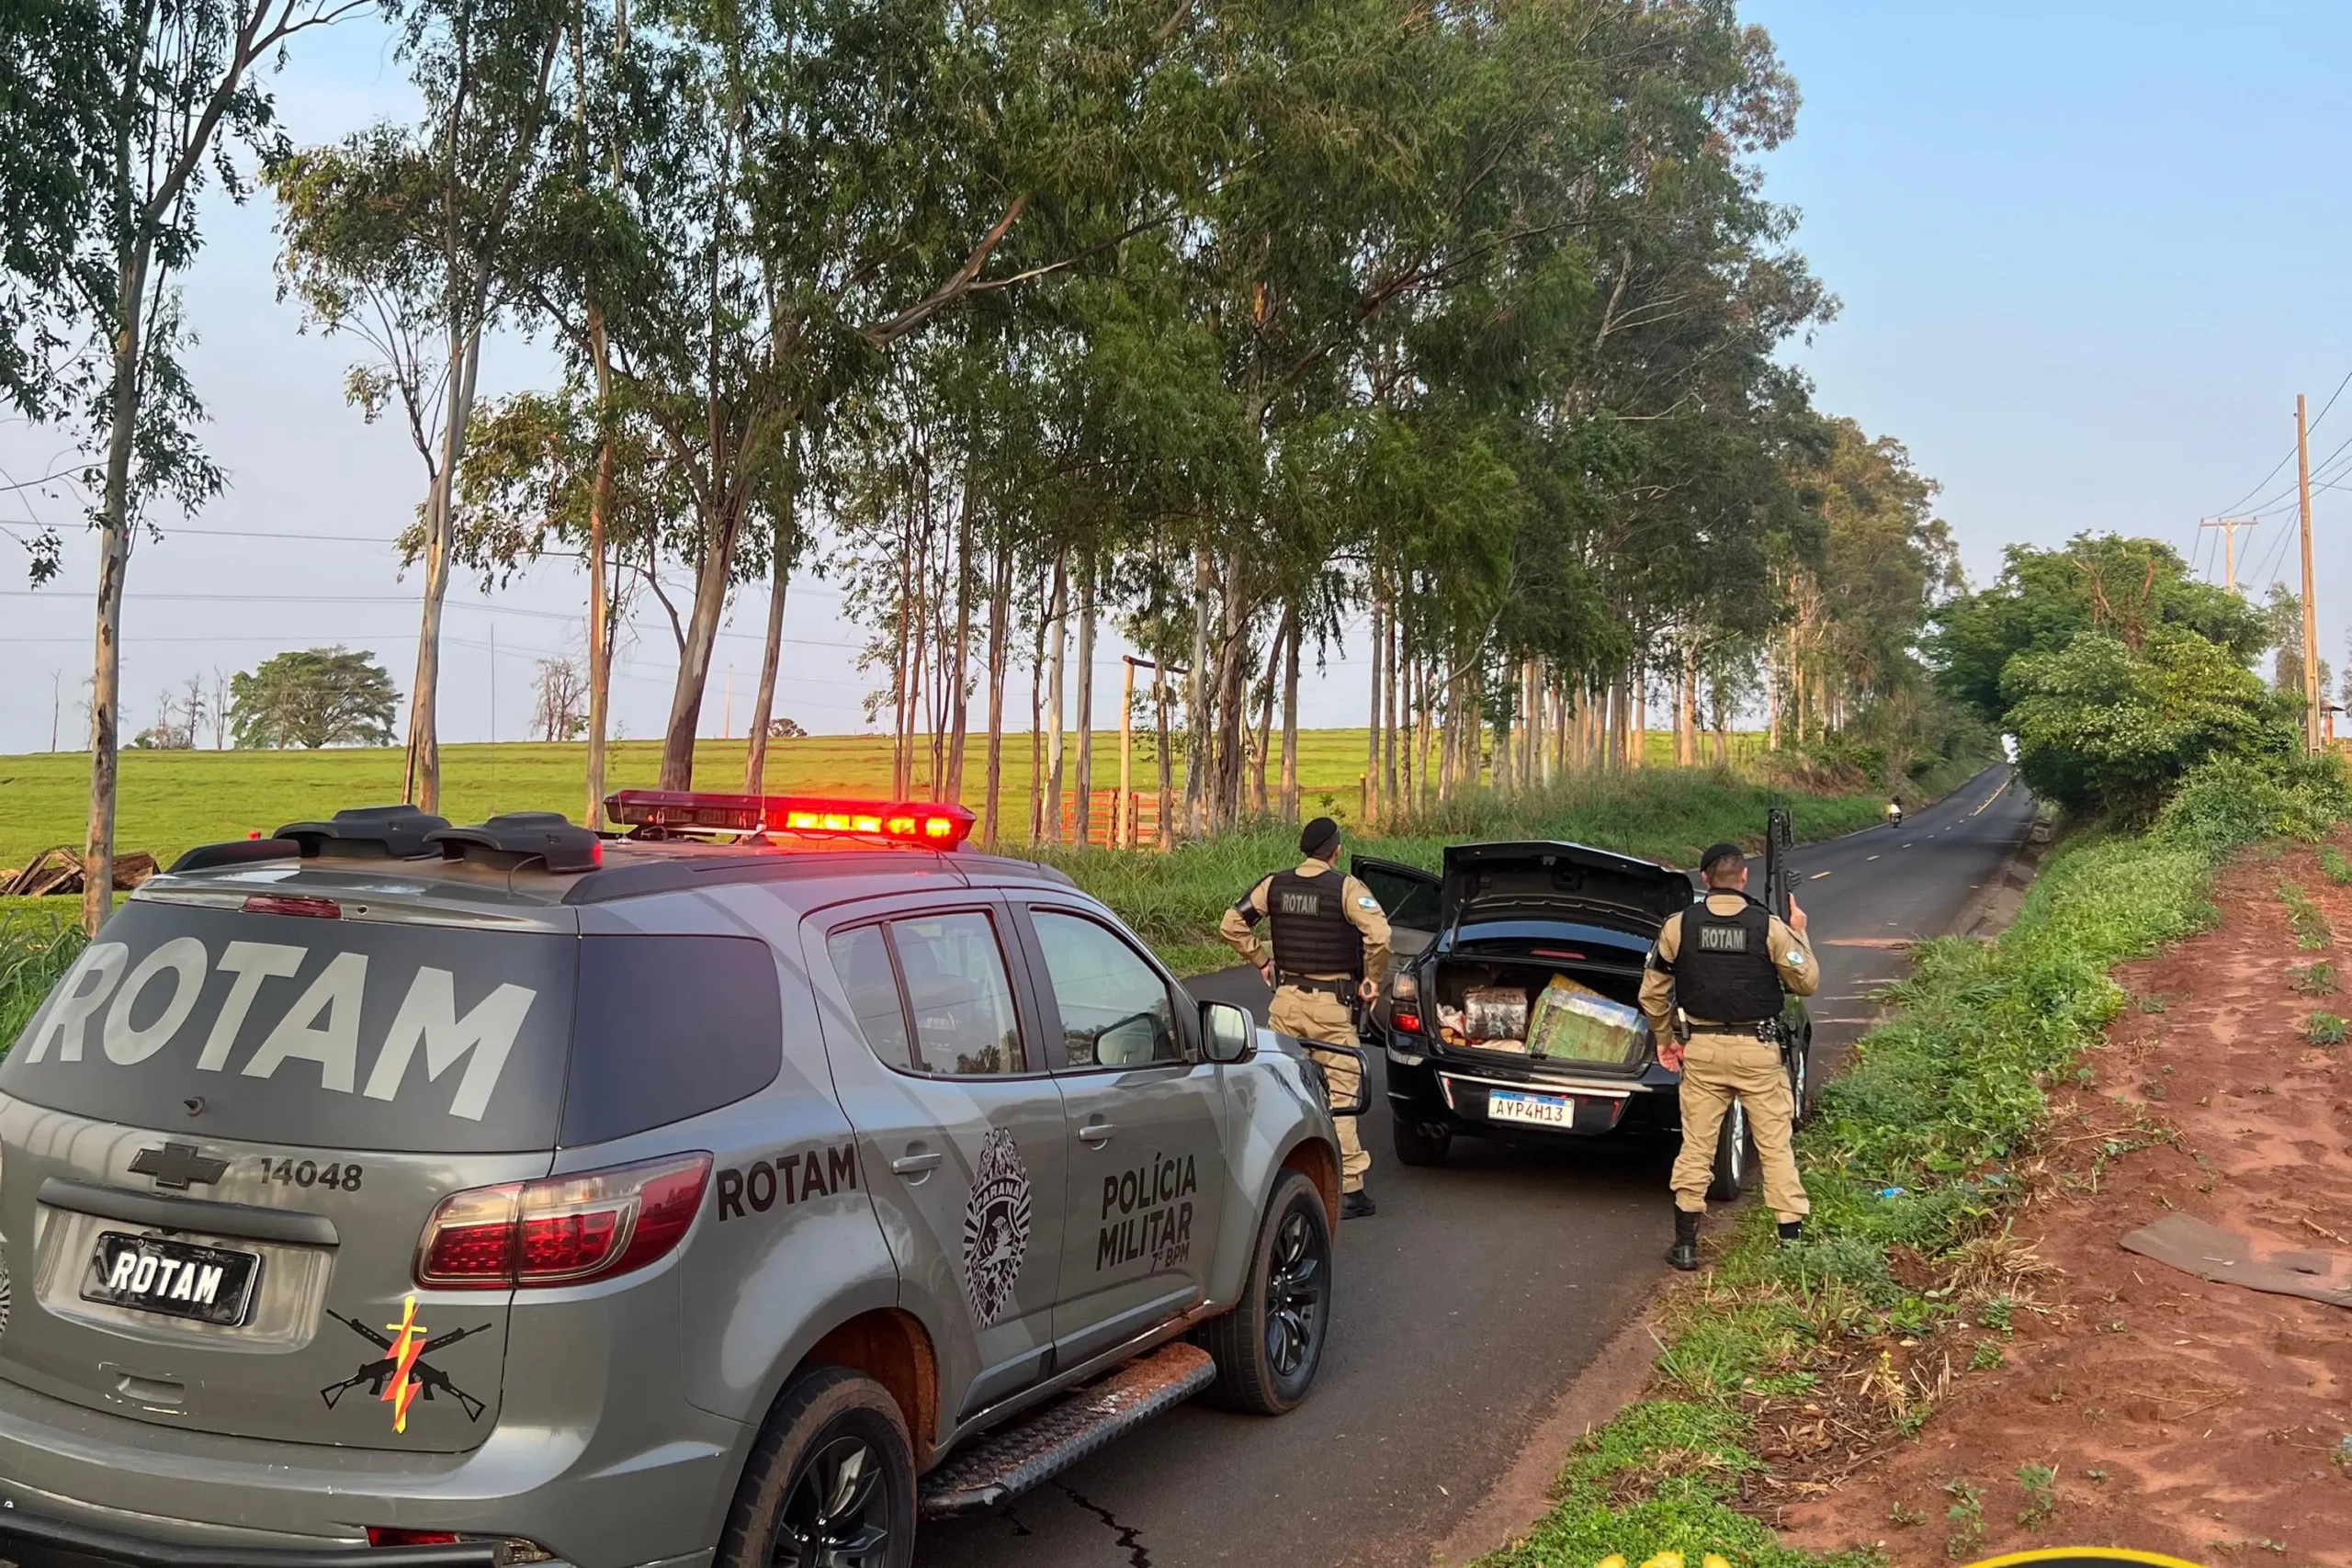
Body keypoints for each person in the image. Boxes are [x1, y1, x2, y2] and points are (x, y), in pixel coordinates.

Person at [1638, 841, 1819, 1269]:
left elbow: (1652, 993)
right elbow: (1806, 982)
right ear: (1743, 879)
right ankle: (1790, 1245)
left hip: (1701, 1050)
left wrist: (1666, 1039)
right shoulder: (1770, 927)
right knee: (1775, 1146)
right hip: (1757, 1051)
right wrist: (1800, 931)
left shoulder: (1678, 926)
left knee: (1697, 1146)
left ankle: (1685, 1246)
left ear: (1704, 880)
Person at [1219, 816, 1389, 1218]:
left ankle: (1274, 1178)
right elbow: (1380, 936)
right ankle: (1349, 1190)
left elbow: (1231, 924)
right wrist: (1373, 980)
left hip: (1286, 1004)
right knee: (1342, 1095)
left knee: (1281, 1090)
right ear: (1336, 851)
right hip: (1331, 1009)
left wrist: (1261, 959)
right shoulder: (1347, 888)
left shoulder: (1274, 884)